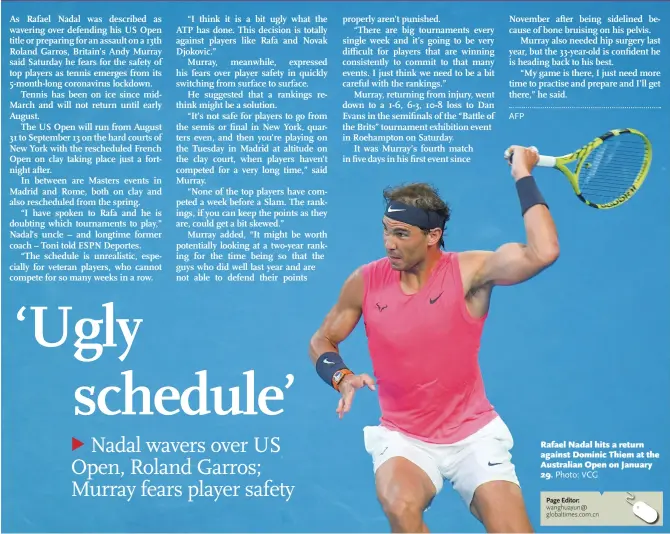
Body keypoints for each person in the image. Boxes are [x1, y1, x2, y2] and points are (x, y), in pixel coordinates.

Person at [308, 146, 559, 533]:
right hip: (404, 437)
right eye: (386, 230)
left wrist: (523, 174)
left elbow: (543, 252)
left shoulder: (471, 272)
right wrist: (340, 376)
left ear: (433, 236)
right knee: (399, 506)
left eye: (401, 234)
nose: (389, 243)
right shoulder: (366, 280)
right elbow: (323, 339)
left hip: (473, 434)